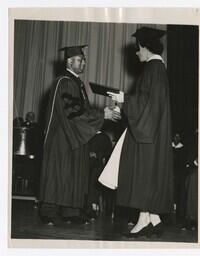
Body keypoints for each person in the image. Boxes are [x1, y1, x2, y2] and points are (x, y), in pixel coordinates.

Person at [39, 45, 120, 225]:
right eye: (80, 59)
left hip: (74, 135)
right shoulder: (64, 81)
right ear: (69, 61)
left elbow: (83, 110)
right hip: (62, 137)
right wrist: (101, 115)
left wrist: (103, 113)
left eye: (84, 60)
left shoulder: (77, 83)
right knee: (58, 172)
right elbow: (72, 111)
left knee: (74, 172)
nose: (84, 62)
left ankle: (71, 211)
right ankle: (49, 211)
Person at [105, 27, 174, 238]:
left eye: (138, 48)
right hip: (153, 131)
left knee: (140, 173)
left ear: (145, 47)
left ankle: (146, 219)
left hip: (147, 133)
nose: (136, 53)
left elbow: (147, 104)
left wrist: (124, 100)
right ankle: (152, 219)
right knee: (147, 176)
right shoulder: (158, 69)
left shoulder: (153, 69)